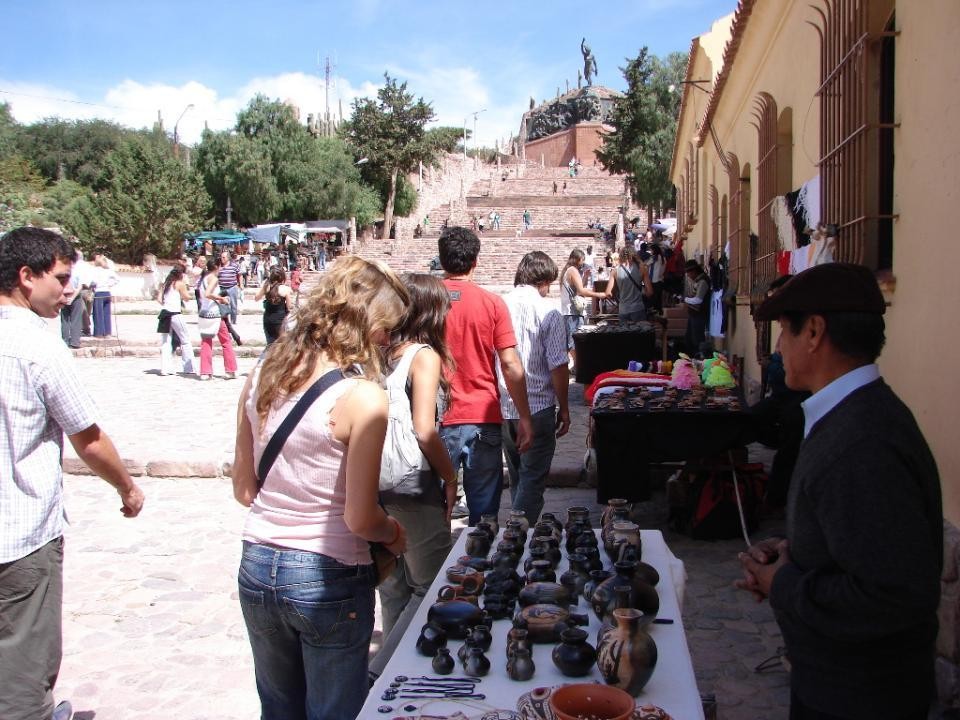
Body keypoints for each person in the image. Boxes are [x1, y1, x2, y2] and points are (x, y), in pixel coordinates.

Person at [738, 262, 942, 720]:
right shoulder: (852, 417)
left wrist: (785, 584)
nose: (780, 348)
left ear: (814, 331)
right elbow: (866, 541)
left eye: (785, 333)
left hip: (860, 694)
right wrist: (797, 552)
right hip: (838, 681)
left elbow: (893, 595)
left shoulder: (862, 438)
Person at [231, 255, 409, 720]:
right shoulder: (362, 397)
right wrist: (393, 535)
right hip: (326, 573)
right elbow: (360, 517)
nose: (389, 340)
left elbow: (244, 489)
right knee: (335, 710)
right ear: (364, 320)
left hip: (257, 560)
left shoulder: (264, 371)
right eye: (387, 327)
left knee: (279, 708)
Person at [0, 227, 145, 720]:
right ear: (26, 277)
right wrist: (126, 486)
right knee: (23, 663)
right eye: (60, 278)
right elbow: (89, 438)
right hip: (18, 536)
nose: (68, 290)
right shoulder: (36, 347)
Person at [372, 273, 458, 676]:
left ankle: (393, 670)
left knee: (394, 587)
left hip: (376, 482)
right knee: (432, 587)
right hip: (411, 484)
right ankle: (383, 671)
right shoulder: (423, 356)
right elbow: (425, 429)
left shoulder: (382, 352)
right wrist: (451, 477)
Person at [437, 226, 533, 526]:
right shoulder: (492, 303)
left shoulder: (427, 301)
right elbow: (511, 364)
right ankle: (479, 566)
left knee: (435, 507)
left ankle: (435, 567)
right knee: (484, 515)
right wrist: (525, 417)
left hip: (437, 416)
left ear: (441, 260)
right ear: (475, 261)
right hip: (483, 416)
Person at [498, 252, 570, 523]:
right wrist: (564, 408)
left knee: (519, 475)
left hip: (505, 405)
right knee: (531, 480)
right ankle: (515, 536)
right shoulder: (547, 310)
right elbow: (558, 365)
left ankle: (519, 537)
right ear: (544, 281)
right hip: (538, 405)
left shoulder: (499, 305)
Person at [559, 249, 605, 370]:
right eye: (582, 260)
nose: (583, 262)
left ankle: (577, 365)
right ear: (578, 259)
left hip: (568, 310)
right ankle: (578, 366)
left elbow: (578, 287)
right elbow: (581, 291)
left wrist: (585, 276)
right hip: (572, 311)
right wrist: (600, 294)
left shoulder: (569, 270)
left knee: (572, 338)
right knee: (574, 339)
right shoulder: (573, 270)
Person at [198, 259, 238, 380]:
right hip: (214, 314)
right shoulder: (213, 279)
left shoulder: (203, 279)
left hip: (204, 312)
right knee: (225, 341)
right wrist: (221, 299)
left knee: (206, 342)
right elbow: (208, 293)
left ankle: (205, 371)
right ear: (216, 267)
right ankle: (230, 369)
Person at [157, 265, 195, 376]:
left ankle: (165, 369)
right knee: (185, 340)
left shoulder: (165, 284)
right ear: (181, 274)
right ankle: (189, 367)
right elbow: (186, 298)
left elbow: (159, 299)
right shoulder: (179, 284)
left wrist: (168, 303)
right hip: (175, 314)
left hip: (165, 313)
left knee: (165, 342)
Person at [605, 245, 654, 322]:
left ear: (621, 256)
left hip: (623, 309)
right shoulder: (642, 268)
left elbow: (608, 293)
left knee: (625, 333)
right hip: (638, 308)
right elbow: (650, 292)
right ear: (634, 255)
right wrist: (642, 292)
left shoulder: (615, 271)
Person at [255, 267, 292, 345]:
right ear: (282, 277)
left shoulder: (266, 287)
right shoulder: (286, 289)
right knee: (281, 345)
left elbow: (256, 298)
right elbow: (289, 307)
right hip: (280, 320)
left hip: (268, 319)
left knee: (270, 344)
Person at [683, 259, 710, 354]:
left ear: (694, 271)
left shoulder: (702, 281)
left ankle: (699, 358)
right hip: (694, 314)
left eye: (688, 273)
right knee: (689, 339)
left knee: (697, 340)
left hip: (699, 315)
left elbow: (698, 299)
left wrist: (686, 300)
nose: (688, 276)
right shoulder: (698, 280)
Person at [90, 250, 118, 337]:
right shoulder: (108, 271)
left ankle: (99, 332)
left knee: (98, 313)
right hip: (107, 292)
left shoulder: (95, 270)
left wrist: (93, 286)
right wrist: (109, 284)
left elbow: (92, 281)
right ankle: (107, 332)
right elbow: (117, 279)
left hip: (99, 292)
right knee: (106, 313)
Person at [217, 249, 241, 325]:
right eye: (221, 257)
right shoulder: (219, 266)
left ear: (228, 258)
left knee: (233, 305)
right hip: (221, 287)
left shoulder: (234, 265)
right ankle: (223, 321)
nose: (222, 259)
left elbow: (239, 275)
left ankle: (233, 321)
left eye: (223, 257)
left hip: (232, 287)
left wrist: (241, 285)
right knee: (221, 304)